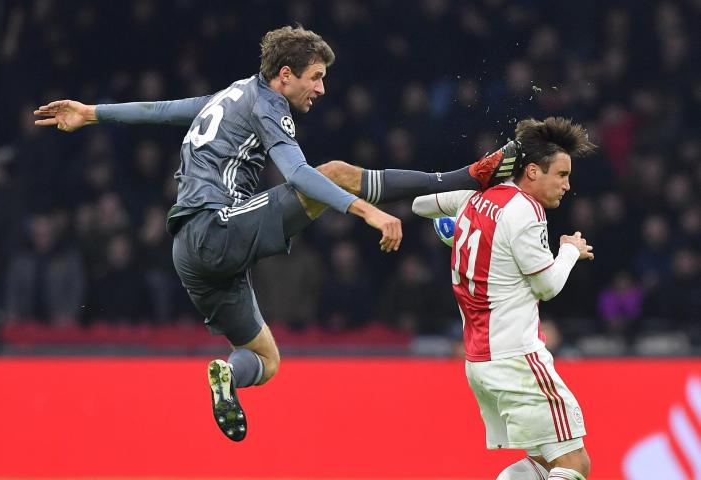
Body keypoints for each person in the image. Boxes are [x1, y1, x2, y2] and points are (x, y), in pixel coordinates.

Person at [34, 25, 508, 442]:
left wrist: (92, 112)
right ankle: (462, 177)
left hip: (188, 249)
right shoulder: (267, 105)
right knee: (337, 172)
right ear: (285, 75)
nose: (321, 88)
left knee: (264, 358)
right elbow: (299, 175)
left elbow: (161, 109)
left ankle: (227, 376)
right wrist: (368, 213)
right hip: (215, 227)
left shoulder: (229, 95)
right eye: (315, 77)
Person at [412, 117, 596, 479]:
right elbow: (547, 286)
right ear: (531, 171)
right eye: (561, 175)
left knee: (543, 463)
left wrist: (454, 222)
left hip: (480, 361)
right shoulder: (526, 212)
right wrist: (570, 250)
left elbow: (420, 205)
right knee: (575, 464)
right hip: (518, 359)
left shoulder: (476, 195)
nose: (567, 185)